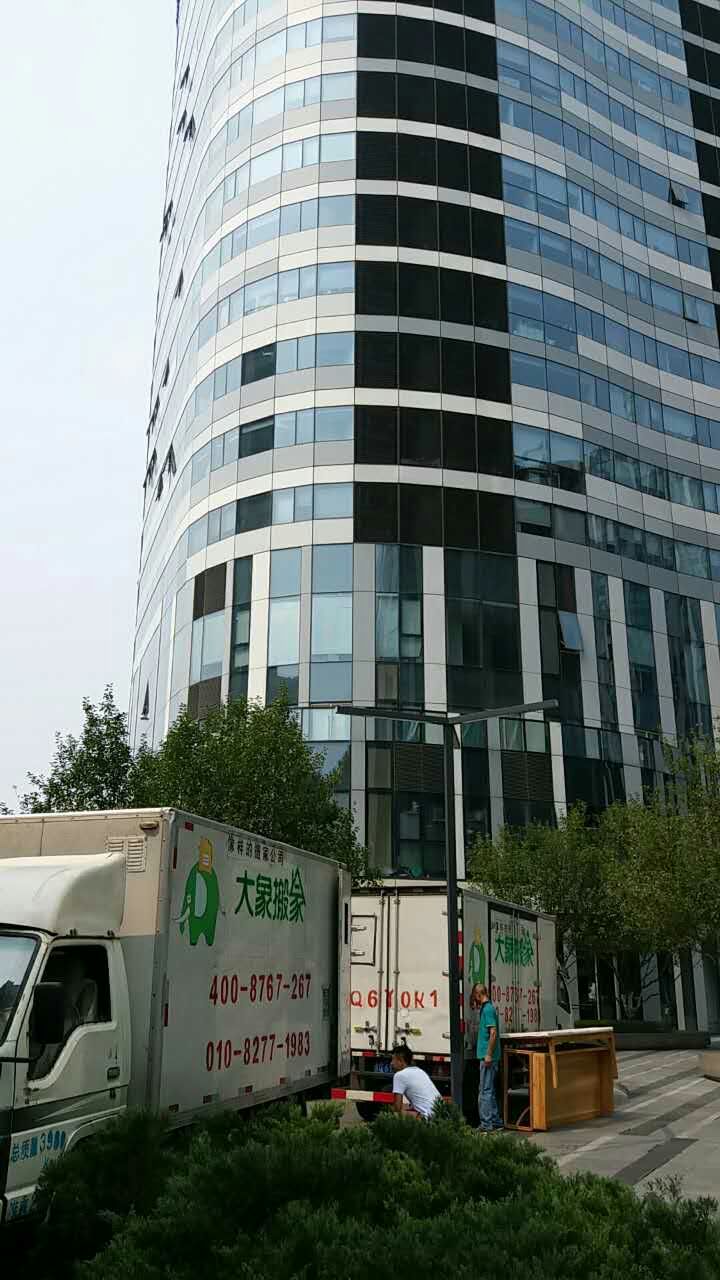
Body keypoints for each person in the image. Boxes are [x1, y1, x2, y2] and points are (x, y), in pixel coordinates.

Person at [471, 983, 503, 1132]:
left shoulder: (488, 1009)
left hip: (487, 1057)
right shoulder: (487, 1008)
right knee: (489, 1090)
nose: (474, 1000)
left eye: (474, 997)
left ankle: (486, 1124)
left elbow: (493, 1033)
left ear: (479, 994)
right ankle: (495, 1121)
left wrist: (488, 1054)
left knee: (485, 1091)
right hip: (488, 1056)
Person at [391, 1044, 441, 1119]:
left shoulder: (399, 1075)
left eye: (393, 1059)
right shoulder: (420, 1071)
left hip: (428, 1117)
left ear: (400, 1061)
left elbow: (397, 1108)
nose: (391, 1063)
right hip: (441, 1113)